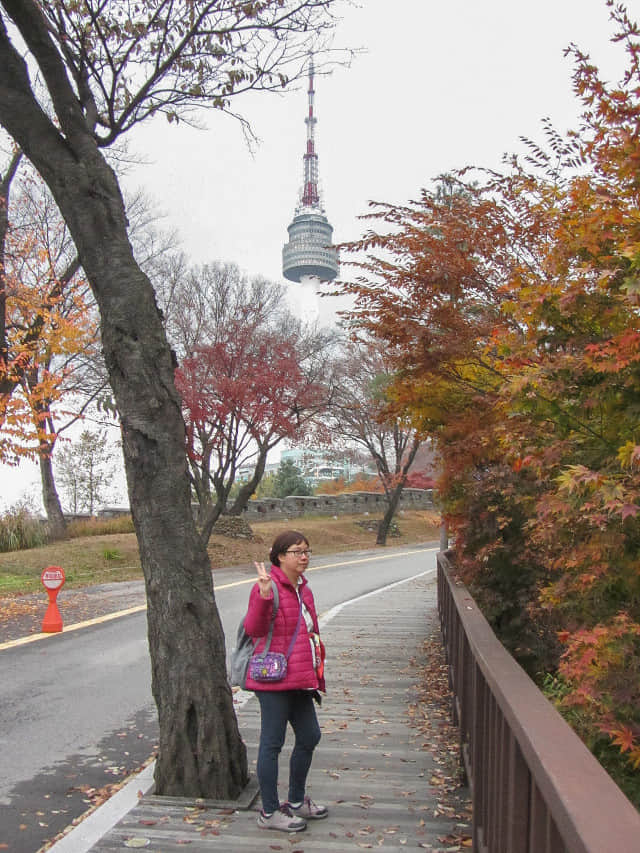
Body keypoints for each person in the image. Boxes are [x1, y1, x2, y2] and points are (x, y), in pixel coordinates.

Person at [243, 529, 327, 833]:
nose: (304, 557)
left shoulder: (304, 589)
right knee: (272, 743)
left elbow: (309, 633)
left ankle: (294, 802)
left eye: (307, 551)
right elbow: (254, 629)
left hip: (301, 677)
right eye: (297, 551)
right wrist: (264, 596)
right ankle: (268, 811)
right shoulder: (269, 587)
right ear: (280, 556)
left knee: (310, 736)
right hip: (274, 677)